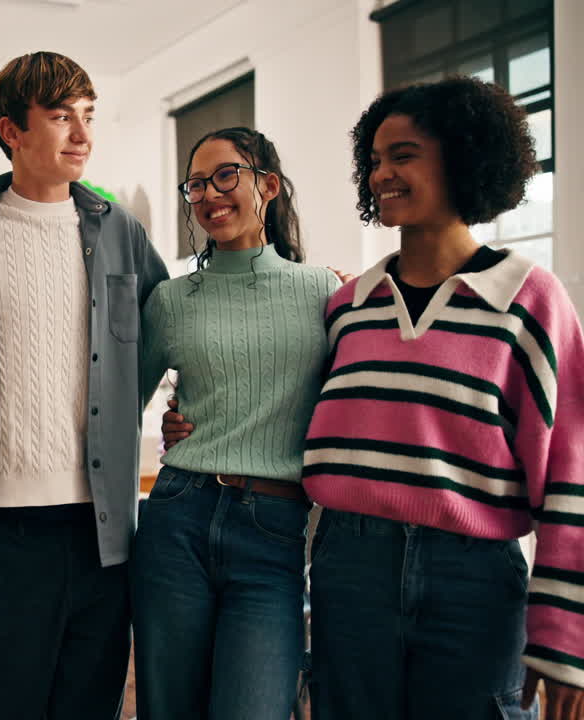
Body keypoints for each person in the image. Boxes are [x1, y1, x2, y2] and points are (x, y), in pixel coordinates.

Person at [303, 75, 583, 719]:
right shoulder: (348, 308)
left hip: (474, 580)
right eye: (375, 160)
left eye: (403, 155)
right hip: (350, 567)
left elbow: (571, 470)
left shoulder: (530, 301)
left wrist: (566, 635)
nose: (381, 174)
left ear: (463, 159)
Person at [0, 51, 167, 719]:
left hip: (103, 527)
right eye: (60, 117)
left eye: (88, 116)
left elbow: (170, 326)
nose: (82, 134)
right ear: (13, 131)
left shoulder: (122, 231)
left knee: (92, 705)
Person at [131, 126, 341, 719]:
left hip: (274, 530)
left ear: (267, 186)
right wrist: (173, 419)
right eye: (196, 184)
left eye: (226, 175)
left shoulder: (324, 291)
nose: (209, 194)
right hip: (178, 514)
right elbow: (118, 408)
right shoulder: (171, 300)